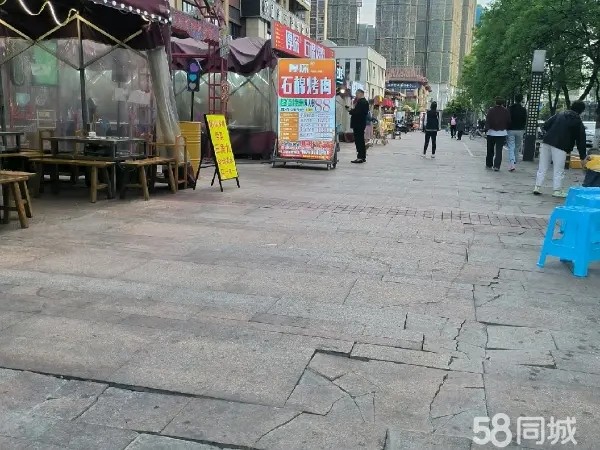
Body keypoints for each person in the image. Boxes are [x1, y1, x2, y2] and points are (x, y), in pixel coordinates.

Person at [533, 100, 588, 197]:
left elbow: (546, 125)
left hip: (547, 141)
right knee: (558, 169)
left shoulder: (560, 114)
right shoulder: (578, 121)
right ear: (581, 110)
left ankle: (537, 186)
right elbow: (581, 140)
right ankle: (557, 190)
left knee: (542, 166)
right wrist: (582, 156)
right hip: (561, 146)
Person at [485, 97, 511, 171]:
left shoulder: (491, 110)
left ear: (495, 102)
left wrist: (486, 129)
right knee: (499, 150)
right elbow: (509, 121)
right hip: (502, 133)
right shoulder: (506, 111)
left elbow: (488, 120)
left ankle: (489, 164)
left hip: (491, 132)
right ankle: (497, 166)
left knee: (490, 149)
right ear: (502, 103)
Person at [346, 89, 369, 163]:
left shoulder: (361, 102)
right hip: (360, 124)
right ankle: (362, 156)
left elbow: (357, 112)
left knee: (359, 141)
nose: (356, 95)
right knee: (361, 141)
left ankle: (360, 157)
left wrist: (350, 110)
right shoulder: (364, 102)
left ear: (360, 94)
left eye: (357, 94)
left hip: (358, 124)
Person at [507, 94, 527, 172]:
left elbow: (508, 119)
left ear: (515, 99)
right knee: (517, 147)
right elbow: (525, 120)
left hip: (511, 130)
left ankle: (512, 164)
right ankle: (515, 162)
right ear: (521, 100)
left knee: (511, 147)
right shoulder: (523, 109)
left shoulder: (510, 108)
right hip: (520, 130)